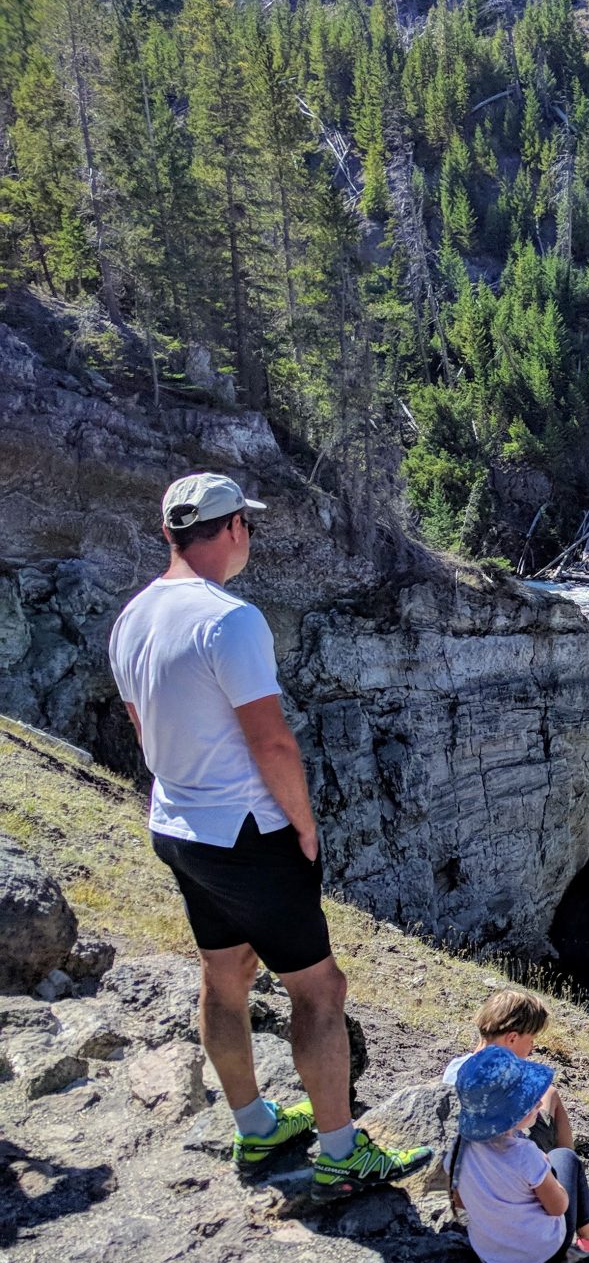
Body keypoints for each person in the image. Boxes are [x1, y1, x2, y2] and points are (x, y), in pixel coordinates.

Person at [108, 472, 429, 1191]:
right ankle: (342, 1154)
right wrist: (304, 827)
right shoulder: (230, 620)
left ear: (169, 533)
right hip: (248, 833)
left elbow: (143, 731)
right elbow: (272, 742)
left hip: (178, 825)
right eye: (244, 524)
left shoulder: (132, 618)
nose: (247, 534)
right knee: (320, 988)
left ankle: (255, 1130)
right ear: (231, 531)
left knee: (224, 977)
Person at [449, 1045, 589, 1263]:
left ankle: (587, 1235)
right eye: (530, 1100)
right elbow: (558, 1207)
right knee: (565, 1157)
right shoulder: (526, 1153)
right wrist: (549, 1175)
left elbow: (460, 1201)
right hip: (539, 1256)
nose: (540, 1104)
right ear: (511, 1113)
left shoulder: (457, 1149)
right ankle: (588, 1237)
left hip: (488, 1253)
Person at [443, 989, 572, 1153]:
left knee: (547, 1092)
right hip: (510, 1157)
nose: (532, 1047)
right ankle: (566, 1164)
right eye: (531, 1040)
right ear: (512, 1038)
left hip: (463, 1150)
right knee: (551, 1095)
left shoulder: (456, 1065)